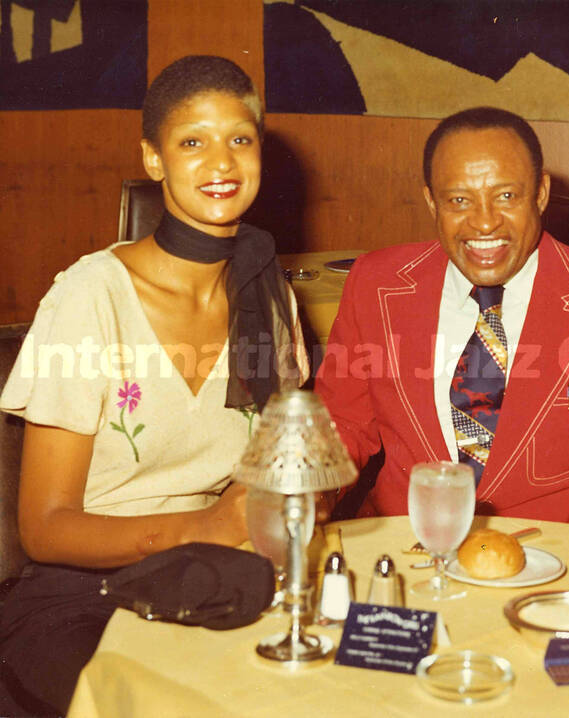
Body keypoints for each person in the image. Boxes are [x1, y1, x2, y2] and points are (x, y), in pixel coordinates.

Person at [0, 55, 308, 715]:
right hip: (83, 598)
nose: (220, 162)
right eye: (192, 141)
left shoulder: (267, 290)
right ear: (153, 159)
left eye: (240, 139)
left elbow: (278, 466)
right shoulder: (90, 297)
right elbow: (44, 530)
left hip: (209, 581)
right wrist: (204, 525)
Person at [315, 107, 569, 530]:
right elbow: (343, 423)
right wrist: (311, 487)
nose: (484, 222)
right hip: (405, 549)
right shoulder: (374, 285)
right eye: (459, 200)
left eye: (506, 196)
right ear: (431, 201)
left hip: (563, 558)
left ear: (540, 194)